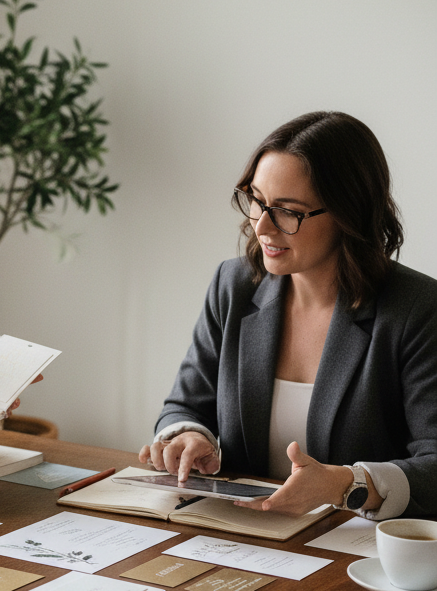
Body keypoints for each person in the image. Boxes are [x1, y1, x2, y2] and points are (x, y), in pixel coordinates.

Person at [139, 110, 437, 519]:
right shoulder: (234, 285)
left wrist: (345, 484)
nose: (262, 226)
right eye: (256, 200)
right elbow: (186, 405)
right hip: (240, 530)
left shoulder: (416, 308)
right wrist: (189, 436)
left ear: (348, 215)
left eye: (288, 211)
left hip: (352, 541)